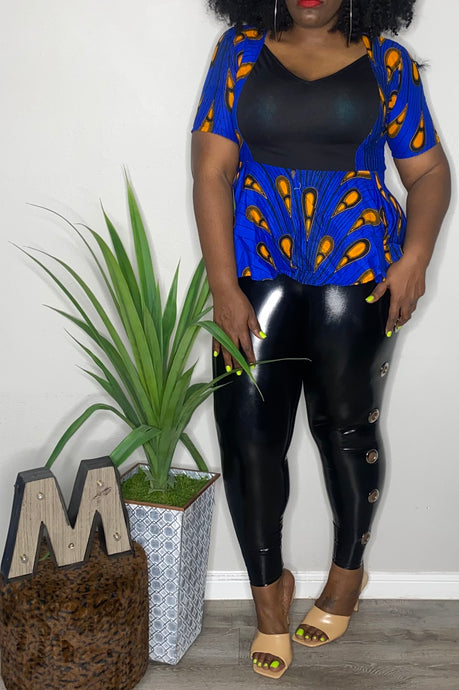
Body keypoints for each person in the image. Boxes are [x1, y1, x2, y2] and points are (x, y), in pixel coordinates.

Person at [191, 0, 450, 680]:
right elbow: (212, 171)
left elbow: (427, 172)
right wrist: (223, 286)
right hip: (255, 273)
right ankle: (268, 597)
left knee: (346, 432)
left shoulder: (386, 62)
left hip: (359, 275)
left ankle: (346, 575)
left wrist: (415, 257)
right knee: (247, 438)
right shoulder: (240, 52)